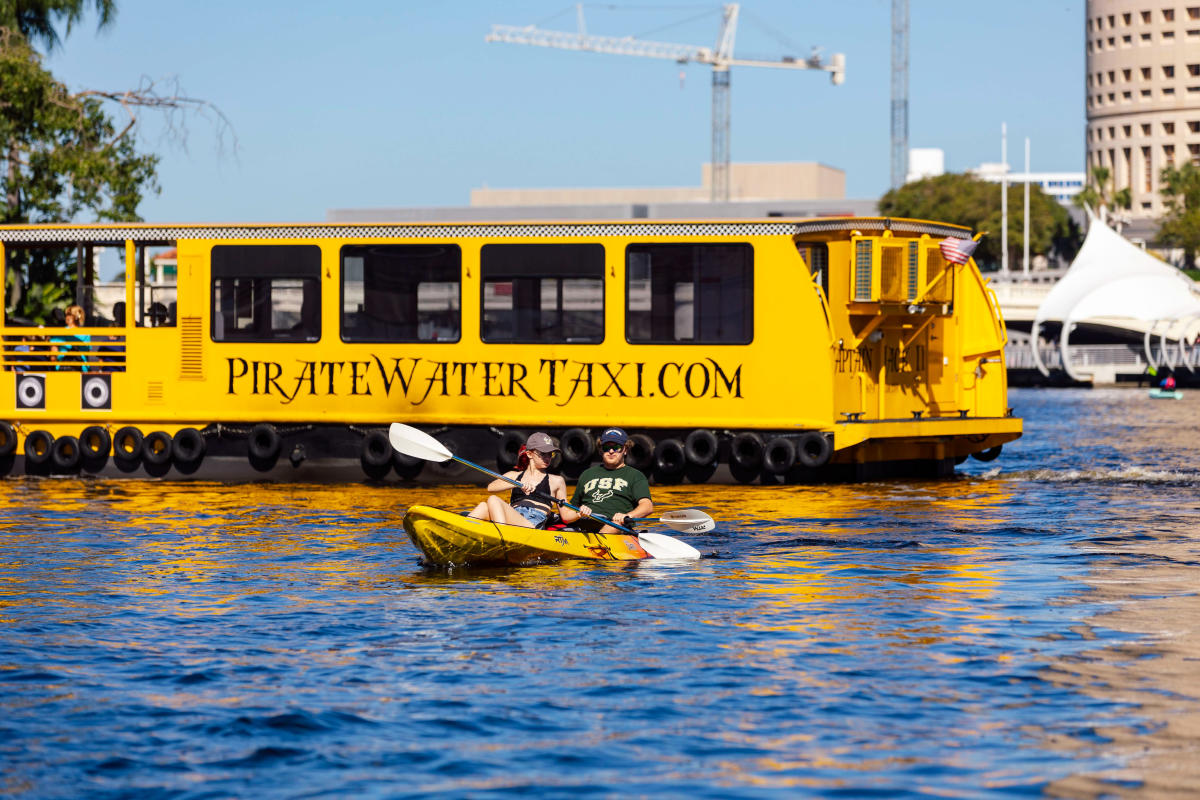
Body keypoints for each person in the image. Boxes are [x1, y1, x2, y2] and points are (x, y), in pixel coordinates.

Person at [559, 427, 653, 534]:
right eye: (606, 447)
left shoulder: (635, 475)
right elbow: (572, 508)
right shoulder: (587, 474)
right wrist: (579, 512)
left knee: (616, 525)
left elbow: (647, 506)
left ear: (625, 450)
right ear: (600, 450)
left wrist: (628, 516)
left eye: (617, 447)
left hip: (615, 525)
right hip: (585, 522)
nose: (611, 451)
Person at [468, 432, 567, 528]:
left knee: (493, 500)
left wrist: (580, 512)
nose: (548, 457)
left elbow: (566, 516)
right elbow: (491, 488)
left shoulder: (557, 480)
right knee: (483, 506)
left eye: (550, 454)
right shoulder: (514, 476)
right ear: (529, 454)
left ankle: (505, 537)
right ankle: (462, 533)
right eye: (543, 453)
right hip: (514, 518)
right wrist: (516, 484)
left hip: (532, 524)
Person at [51, 304, 90, 371]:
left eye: (68, 314)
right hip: (82, 370)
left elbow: (53, 355)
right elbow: (86, 354)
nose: (66, 317)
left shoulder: (60, 332)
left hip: (62, 368)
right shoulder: (86, 334)